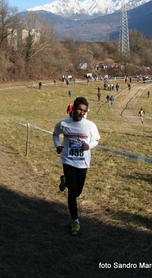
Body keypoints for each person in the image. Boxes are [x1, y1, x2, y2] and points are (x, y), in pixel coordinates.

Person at [53, 97, 100, 236]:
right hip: (68, 160)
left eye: (84, 111)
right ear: (73, 108)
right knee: (72, 192)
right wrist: (58, 146)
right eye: (79, 109)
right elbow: (55, 134)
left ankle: (65, 181)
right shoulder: (63, 123)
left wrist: (89, 146)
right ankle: (75, 221)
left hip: (83, 162)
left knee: (77, 192)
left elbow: (96, 139)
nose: (81, 113)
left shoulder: (90, 125)